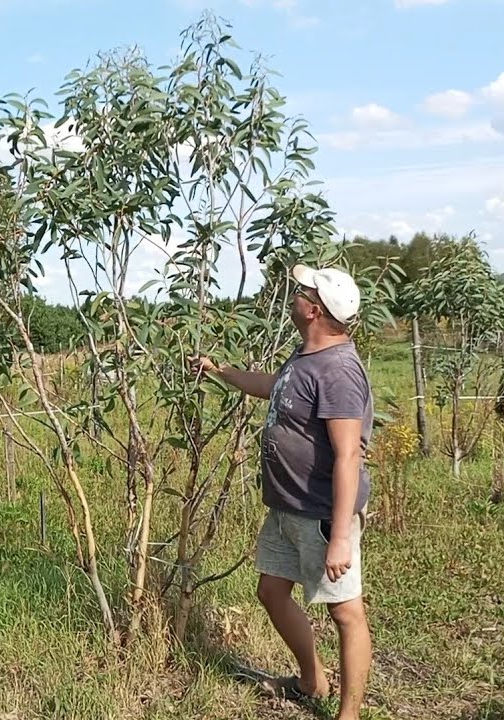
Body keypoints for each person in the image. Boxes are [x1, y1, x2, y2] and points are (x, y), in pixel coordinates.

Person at [190, 264, 373, 720]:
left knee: (346, 613)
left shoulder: (338, 371)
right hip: (287, 507)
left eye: (301, 292)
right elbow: (273, 387)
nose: (294, 296)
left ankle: (348, 714)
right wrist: (220, 372)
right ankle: (313, 681)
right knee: (272, 592)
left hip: (322, 515)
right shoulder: (305, 357)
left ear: (313, 310)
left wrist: (339, 538)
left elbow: (349, 455)